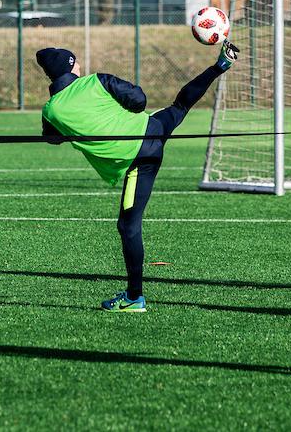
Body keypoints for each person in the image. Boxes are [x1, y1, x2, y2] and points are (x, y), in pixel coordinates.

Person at [38, 40, 238, 312]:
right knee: (179, 107)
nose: (81, 66)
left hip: (139, 160)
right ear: (70, 67)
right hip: (151, 129)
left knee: (128, 226)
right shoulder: (97, 81)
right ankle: (219, 66)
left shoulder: (51, 110)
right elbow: (139, 100)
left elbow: (52, 138)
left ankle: (135, 298)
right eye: (77, 63)